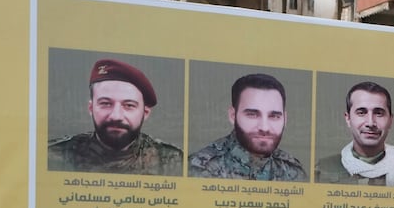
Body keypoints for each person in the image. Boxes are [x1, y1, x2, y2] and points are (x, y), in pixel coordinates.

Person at [48, 58, 183, 175]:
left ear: (145, 113)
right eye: (106, 103)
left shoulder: (171, 160)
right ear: (91, 108)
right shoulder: (54, 155)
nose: (116, 116)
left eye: (129, 105)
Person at [188, 73, 307, 180]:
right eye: (252, 115)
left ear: (285, 119)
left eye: (274, 116)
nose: (264, 127)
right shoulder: (200, 168)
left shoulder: (293, 172)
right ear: (232, 115)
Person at [313, 81, 394, 187]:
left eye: (379, 113)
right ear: (348, 119)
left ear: (391, 120)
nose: (371, 123)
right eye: (361, 113)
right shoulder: (321, 172)